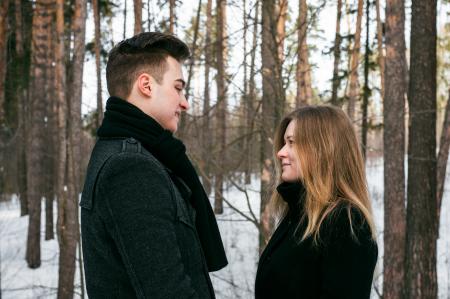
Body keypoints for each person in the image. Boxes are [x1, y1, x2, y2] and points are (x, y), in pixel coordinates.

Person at [80, 32, 227, 299]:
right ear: (146, 85)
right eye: (178, 88)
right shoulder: (130, 167)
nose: (184, 102)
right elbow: (169, 292)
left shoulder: (129, 153)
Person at [255, 105, 378, 299]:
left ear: (321, 150)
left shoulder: (346, 223)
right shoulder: (298, 214)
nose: (280, 152)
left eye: (291, 142)